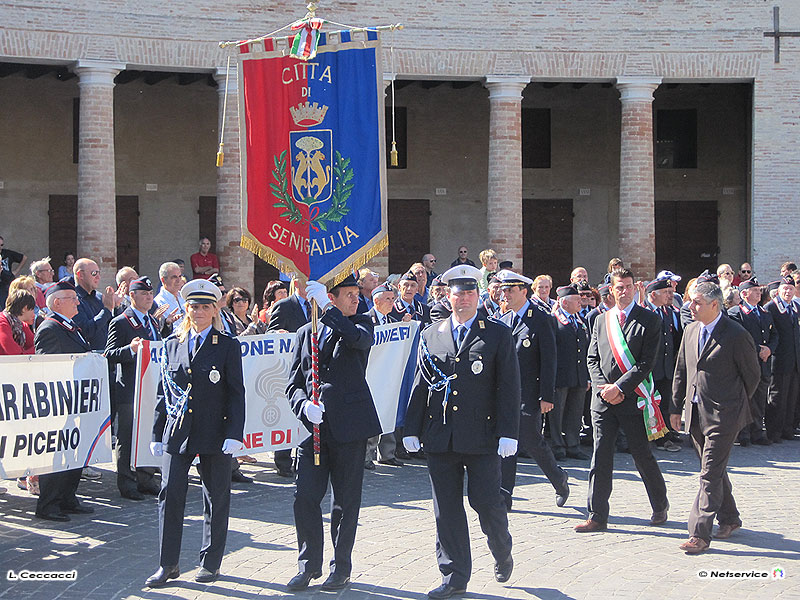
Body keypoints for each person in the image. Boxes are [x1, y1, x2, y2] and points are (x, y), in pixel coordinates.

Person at [404, 264, 520, 599]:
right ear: (448, 296)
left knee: (486, 503)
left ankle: (501, 548)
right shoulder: (431, 334)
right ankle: (454, 575)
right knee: (446, 509)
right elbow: (421, 384)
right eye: (459, 293)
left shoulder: (496, 333)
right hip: (441, 435)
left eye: (470, 293)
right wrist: (412, 427)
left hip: (482, 436)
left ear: (478, 296)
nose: (464, 298)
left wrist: (508, 432)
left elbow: (508, 387)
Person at [146, 279, 245, 587]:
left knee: (216, 497)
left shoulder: (227, 345)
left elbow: (236, 393)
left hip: (214, 430)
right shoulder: (172, 344)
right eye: (194, 307)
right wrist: (156, 432)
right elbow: (165, 392)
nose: (199, 312)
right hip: (178, 431)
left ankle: (211, 562)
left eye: (205, 307)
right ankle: (168, 564)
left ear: (215, 310)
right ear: (185, 309)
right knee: (170, 494)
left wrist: (234, 432)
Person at [285, 275, 381, 592]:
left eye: (357, 293)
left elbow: (357, 339)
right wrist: (303, 407)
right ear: (333, 295)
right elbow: (293, 384)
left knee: (345, 502)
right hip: (313, 429)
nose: (356, 299)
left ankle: (341, 567)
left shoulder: (361, 324)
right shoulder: (306, 332)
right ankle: (308, 565)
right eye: (349, 294)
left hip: (349, 428)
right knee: (305, 498)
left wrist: (328, 309)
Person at [576, 268, 669, 533]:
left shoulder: (649, 320)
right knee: (600, 457)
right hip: (603, 401)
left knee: (642, 456)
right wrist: (604, 388)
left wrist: (620, 388)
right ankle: (596, 514)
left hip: (633, 399)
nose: (624, 291)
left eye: (628, 286)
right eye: (619, 287)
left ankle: (660, 504)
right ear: (611, 290)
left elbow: (645, 363)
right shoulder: (600, 320)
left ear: (634, 288)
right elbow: (592, 358)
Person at [670, 281, 760, 554]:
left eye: (697, 302)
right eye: (690, 301)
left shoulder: (735, 334)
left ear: (714, 304)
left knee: (708, 472)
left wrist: (733, 405)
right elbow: (681, 371)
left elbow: (752, 376)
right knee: (714, 470)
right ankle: (730, 518)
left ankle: (699, 533)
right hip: (696, 412)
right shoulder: (690, 330)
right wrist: (676, 408)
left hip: (725, 414)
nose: (691, 306)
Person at [495, 270, 568, 510]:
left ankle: (559, 479)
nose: (505, 294)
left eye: (510, 290)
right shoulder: (503, 319)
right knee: (506, 443)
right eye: (503, 290)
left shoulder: (540, 318)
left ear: (524, 292)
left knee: (531, 440)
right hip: (506, 394)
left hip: (530, 392)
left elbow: (549, 359)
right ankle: (505, 495)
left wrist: (547, 395)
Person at [33, 281, 94, 521]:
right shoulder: (50, 328)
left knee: (74, 452)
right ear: (57, 302)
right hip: (61, 400)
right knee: (57, 454)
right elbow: (46, 366)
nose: (78, 301)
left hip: (77, 398)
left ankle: (68, 497)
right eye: (72, 298)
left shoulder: (70, 326)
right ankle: (48, 504)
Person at [105, 276, 162, 500]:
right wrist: (130, 350)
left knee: (149, 432)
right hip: (129, 389)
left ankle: (146, 477)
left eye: (150, 294)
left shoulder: (153, 321)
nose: (149, 297)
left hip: (150, 388)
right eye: (144, 294)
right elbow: (109, 354)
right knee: (127, 437)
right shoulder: (121, 321)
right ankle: (127, 482)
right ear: (132, 296)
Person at [268, 276, 311, 477]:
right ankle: (283, 461)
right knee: (286, 414)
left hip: (310, 368)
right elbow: (270, 334)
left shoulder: (316, 305)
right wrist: (278, 333)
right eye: (303, 281)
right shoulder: (284, 305)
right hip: (287, 367)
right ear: (295, 282)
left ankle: (305, 456)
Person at [727, 278, 776, 446]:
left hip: (763, 363)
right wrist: (758, 350)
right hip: (746, 364)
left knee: (760, 398)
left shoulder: (764, 313)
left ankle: (757, 431)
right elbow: (739, 337)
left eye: (758, 290)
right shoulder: (736, 313)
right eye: (754, 290)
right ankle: (744, 433)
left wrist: (769, 349)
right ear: (744, 294)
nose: (758, 293)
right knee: (746, 398)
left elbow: (775, 335)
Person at [763, 275, 800, 443]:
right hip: (779, 360)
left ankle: (787, 428)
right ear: (778, 291)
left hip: (794, 360)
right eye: (785, 288)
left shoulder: (795, 307)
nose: (788, 291)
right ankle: (774, 431)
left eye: (791, 289)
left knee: (791, 397)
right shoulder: (771, 307)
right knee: (777, 397)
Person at [73, 258, 120, 350]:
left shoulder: (99, 297)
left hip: (106, 354)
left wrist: (116, 307)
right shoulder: (74, 299)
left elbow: (113, 327)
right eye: (94, 273)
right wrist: (106, 309)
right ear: (80, 275)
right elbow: (87, 331)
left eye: (99, 273)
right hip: (89, 357)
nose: (98, 277)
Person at [0, 235, 27, 307]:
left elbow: (24, 257)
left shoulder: (7, 253)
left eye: (1, 245)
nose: (0, 247)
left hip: (6, 281)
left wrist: (16, 271)